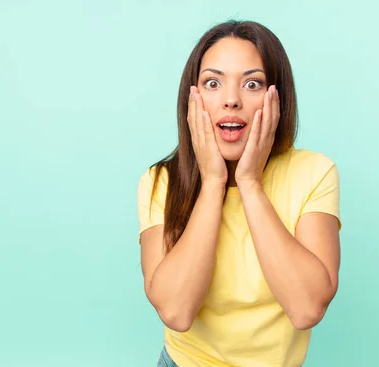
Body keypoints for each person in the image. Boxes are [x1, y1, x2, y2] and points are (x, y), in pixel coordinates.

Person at [136, 20, 341, 367]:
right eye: (213, 83)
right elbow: (176, 312)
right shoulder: (160, 181)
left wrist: (249, 182)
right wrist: (214, 183)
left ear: (277, 97)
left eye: (252, 83)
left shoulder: (314, 172)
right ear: (193, 98)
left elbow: (307, 309)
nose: (231, 100)